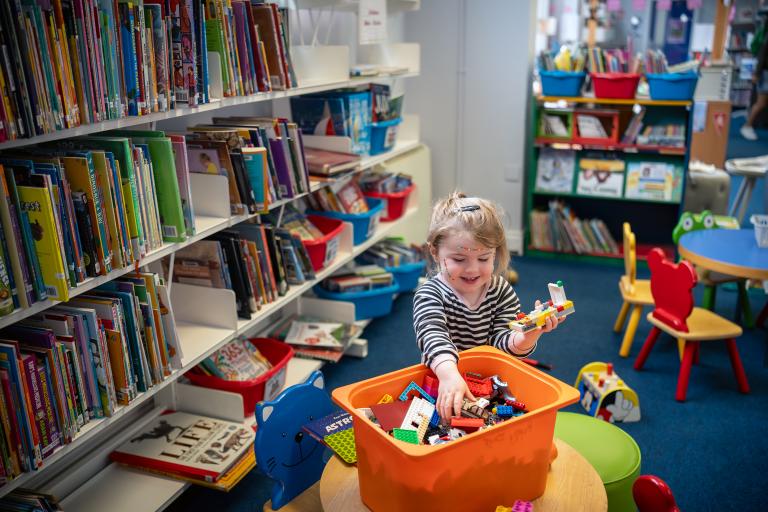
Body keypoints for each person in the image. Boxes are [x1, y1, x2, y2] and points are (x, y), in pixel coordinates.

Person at [413, 192, 563, 421]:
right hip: (442, 380)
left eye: (484, 259)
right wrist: (449, 375)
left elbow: (502, 346)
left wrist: (527, 337)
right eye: (459, 260)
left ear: (496, 253)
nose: (472, 270)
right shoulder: (429, 294)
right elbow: (433, 336)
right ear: (435, 252)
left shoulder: (500, 289)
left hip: (487, 385)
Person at [741, 18, 768, 140]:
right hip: (765, 73)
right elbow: (762, 55)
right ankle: (747, 126)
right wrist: (756, 73)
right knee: (761, 102)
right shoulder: (766, 36)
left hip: (763, 72)